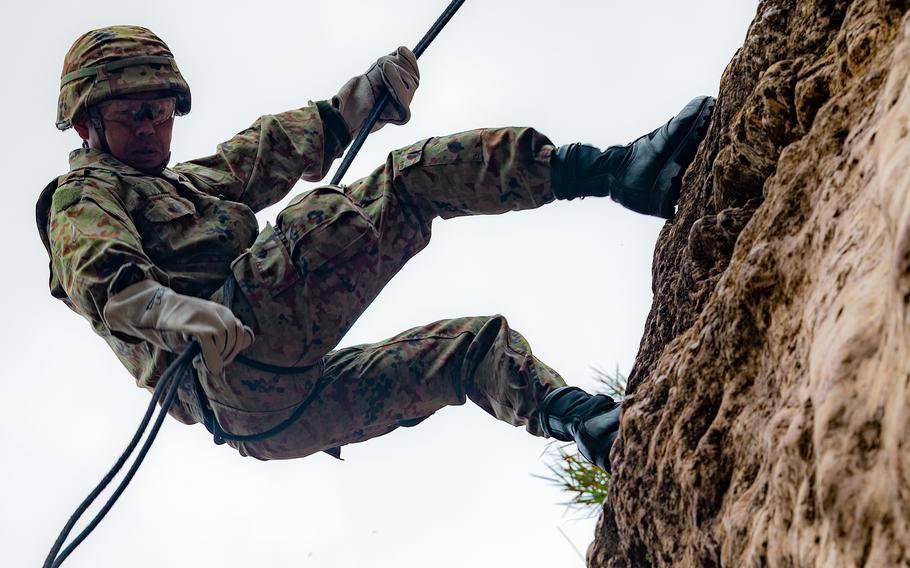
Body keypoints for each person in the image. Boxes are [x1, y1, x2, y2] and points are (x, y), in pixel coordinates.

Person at [37, 25, 713, 472]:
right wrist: (175, 312)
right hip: (231, 363)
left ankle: (587, 425)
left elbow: (265, 151)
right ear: (90, 124)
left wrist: (357, 104)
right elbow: (98, 274)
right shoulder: (85, 192)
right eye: (131, 115)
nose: (152, 127)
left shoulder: (189, 185)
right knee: (411, 181)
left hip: (273, 420)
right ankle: (622, 171)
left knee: (466, 351)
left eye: (159, 110)